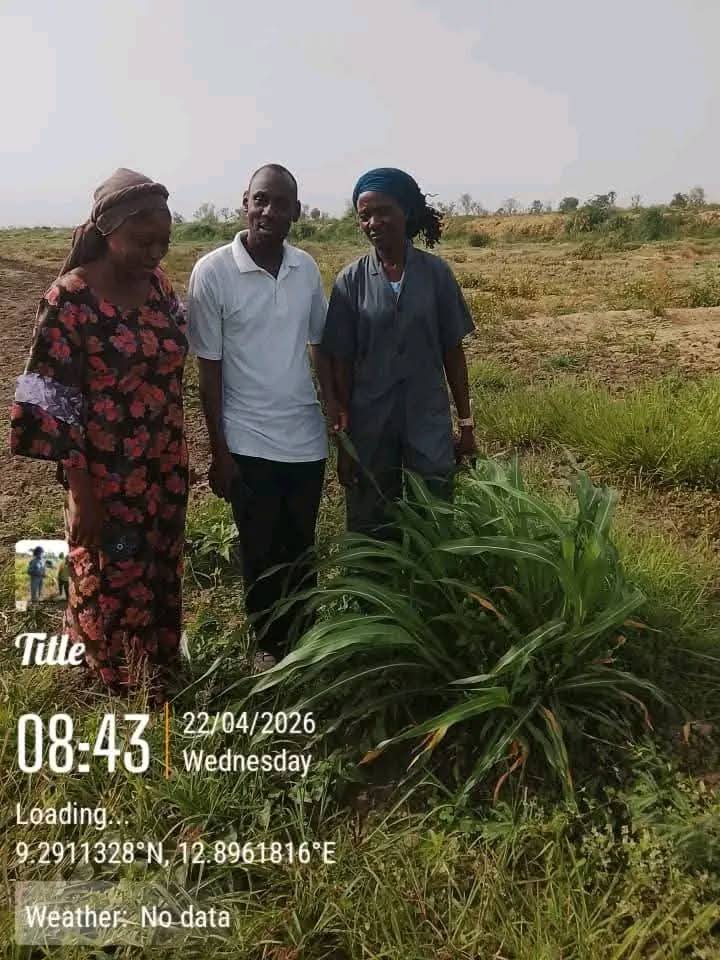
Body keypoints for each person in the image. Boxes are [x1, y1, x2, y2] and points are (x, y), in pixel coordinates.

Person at [10, 168, 188, 698]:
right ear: (109, 231)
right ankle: (112, 680)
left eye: (163, 242)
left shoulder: (159, 287)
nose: (155, 253)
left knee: (158, 567)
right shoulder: (70, 299)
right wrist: (79, 490)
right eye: (143, 241)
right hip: (105, 475)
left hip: (163, 464)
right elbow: (52, 401)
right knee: (109, 574)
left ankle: (157, 666)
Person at [187, 164, 330, 669]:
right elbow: (209, 370)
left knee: (301, 547)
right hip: (247, 437)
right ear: (245, 202)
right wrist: (219, 452)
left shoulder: (305, 269)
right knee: (260, 549)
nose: (268, 211)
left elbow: (319, 345)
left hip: (305, 436)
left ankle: (306, 640)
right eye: (260, 200)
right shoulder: (212, 272)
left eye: (280, 203)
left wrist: (334, 411)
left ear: (297, 211)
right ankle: (269, 649)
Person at [318, 167, 477, 535]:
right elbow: (340, 361)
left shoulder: (435, 274)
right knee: (371, 515)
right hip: (370, 420)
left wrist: (466, 423)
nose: (374, 223)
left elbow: (453, 352)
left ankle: (431, 572)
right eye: (364, 216)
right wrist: (344, 438)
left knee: (434, 510)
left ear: (405, 211)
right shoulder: (350, 281)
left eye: (383, 211)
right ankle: (375, 574)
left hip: (427, 415)